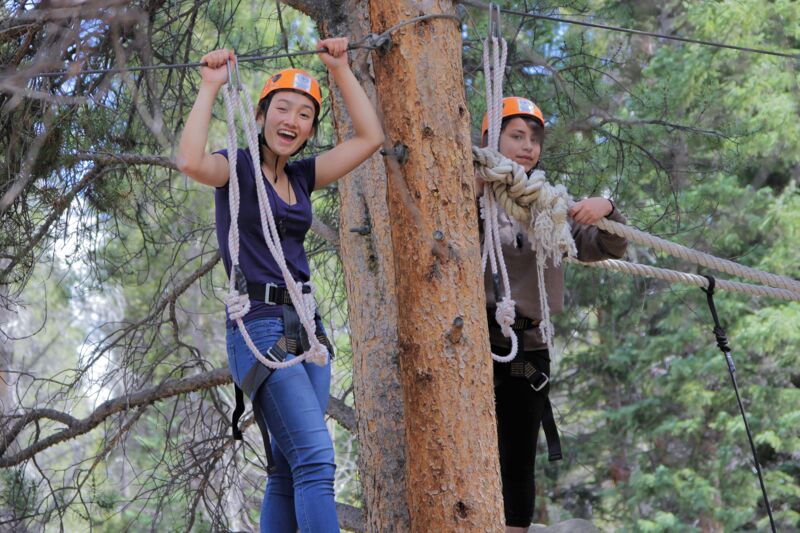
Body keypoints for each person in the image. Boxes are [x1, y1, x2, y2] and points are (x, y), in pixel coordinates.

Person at [177, 38, 383, 533]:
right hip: (258, 325)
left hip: (306, 328)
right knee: (315, 459)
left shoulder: (303, 176)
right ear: (262, 113)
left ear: (310, 130)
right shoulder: (237, 167)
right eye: (282, 109)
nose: (292, 121)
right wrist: (210, 86)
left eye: (305, 114)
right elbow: (189, 161)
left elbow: (369, 138)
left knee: (288, 470)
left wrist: (339, 69)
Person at [477, 96, 628, 532]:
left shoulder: (549, 207)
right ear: (492, 140)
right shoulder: (470, 197)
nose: (527, 147)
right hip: (476, 340)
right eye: (516, 136)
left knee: (518, 459)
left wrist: (607, 208)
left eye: (534, 139)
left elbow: (609, 247)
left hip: (529, 347)